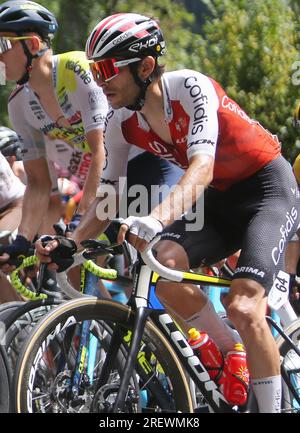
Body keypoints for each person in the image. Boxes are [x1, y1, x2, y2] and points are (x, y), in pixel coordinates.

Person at [35, 13, 300, 412]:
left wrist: (156, 218)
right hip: (220, 201)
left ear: (144, 67)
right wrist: (71, 244)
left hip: (267, 189)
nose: (100, 82)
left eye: (107, 69)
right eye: (94, 71)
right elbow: (108, 196)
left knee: (243, 306)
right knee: (162, 267)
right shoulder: (119, 122)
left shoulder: (191, 86)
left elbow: (202, 168)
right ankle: (232, 353)